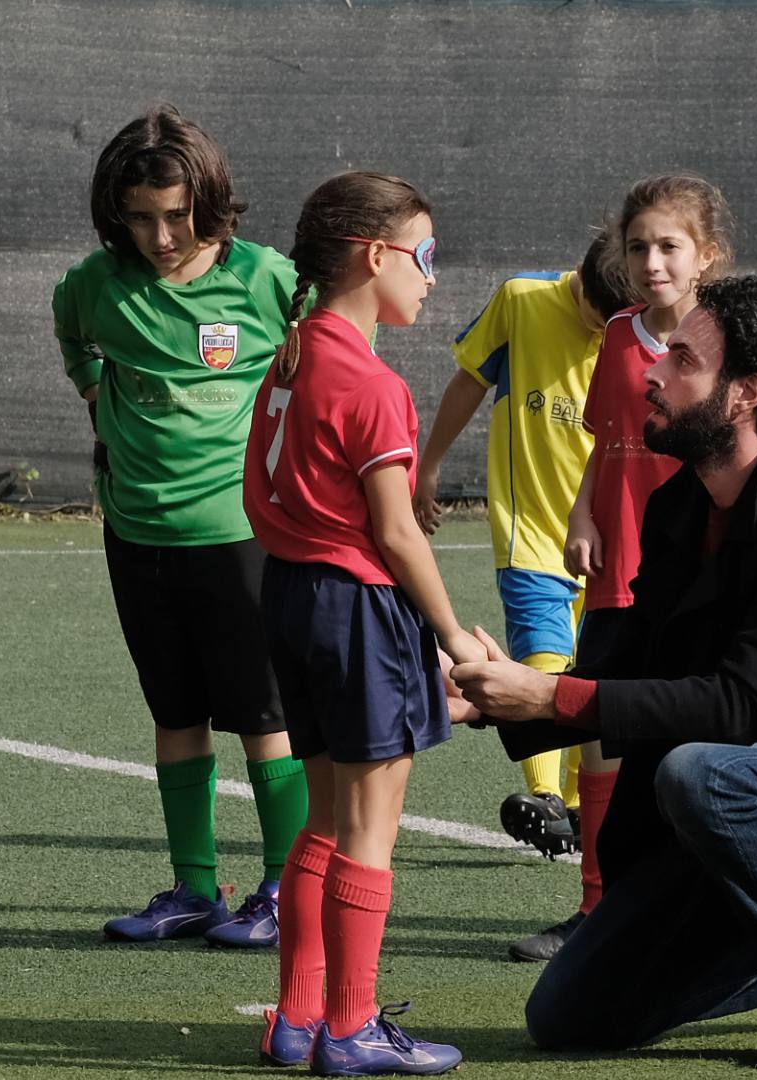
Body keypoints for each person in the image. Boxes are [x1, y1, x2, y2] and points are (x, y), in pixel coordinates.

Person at [454, 275, 757, 1069]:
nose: (651, 370)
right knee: (568, 1019)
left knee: (703, 773)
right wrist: (495, 698)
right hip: (730, 799)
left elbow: (741, 705)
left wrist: (549, 692)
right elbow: (629, 661)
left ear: (744, 393)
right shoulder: (677, 504)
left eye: (682, 357)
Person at [53, 105, 307, 948]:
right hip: (135, 534)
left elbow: (319, 364)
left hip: (241, 539)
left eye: (176, 215)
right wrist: (96, 390)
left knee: (265, 717)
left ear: (209, 199)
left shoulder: (268, 278)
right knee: (175, 713)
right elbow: (73, 334)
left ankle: (283, 886)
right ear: (115, 212)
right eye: (140, 217)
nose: (161, 236)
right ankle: (194, 888)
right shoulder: (96, 284)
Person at [245, 170, 482, 1074]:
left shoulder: (290, 354)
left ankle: (297, 1019)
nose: (431, 276)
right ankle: (349, 1030)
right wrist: (454, 636)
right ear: (376, 255)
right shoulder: (373, 382)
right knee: (368, 833)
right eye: (424, 255)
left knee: (322, 821)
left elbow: (256, 494)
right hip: (354, 607)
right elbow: (392, 529)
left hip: (294, 601)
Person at [500, 174, 737, 963]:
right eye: (638, 247)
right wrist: (580, 515)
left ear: (706, 255)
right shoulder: (618, 334)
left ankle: (702, 909)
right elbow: (605, 442)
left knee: (690, 736)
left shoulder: (723, 338)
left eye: (669, 245)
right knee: (598, 727)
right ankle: (595, 909)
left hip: (692, 572)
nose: (651, 261)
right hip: (618, 561)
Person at [410, 233, 633, 957]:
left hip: (611, 534)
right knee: (543, 654)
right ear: (580, 286)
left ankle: (578, 805)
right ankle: (552, 798)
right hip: (533, 531)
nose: (604, 331)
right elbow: (470, 381)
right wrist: (430, 466)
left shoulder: (643, 327)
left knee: (593, 675)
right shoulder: (523, 299)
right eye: (597, 315)